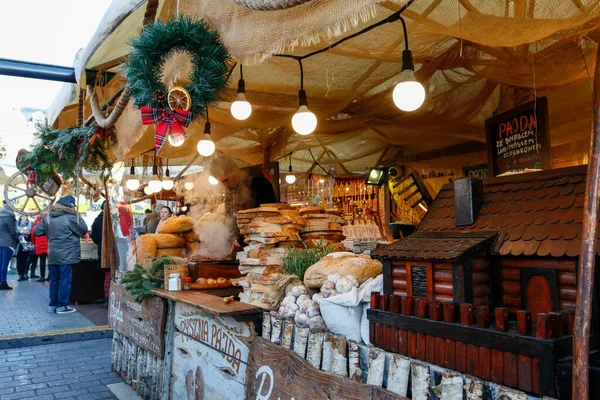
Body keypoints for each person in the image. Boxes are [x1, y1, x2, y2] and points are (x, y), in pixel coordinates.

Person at [208, 156, 277, 252]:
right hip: (238, 246)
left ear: (234, 170)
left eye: (226, 180)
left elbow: (268, 216)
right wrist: (224, 239)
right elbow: (230, 218)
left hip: (260, 246)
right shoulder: (230, 190)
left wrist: (240, 240)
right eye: (222, 182)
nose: (225, 185)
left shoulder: (260, 184)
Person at [34, 195, 88, 314]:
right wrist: (77, 214)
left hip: (53, 254)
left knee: (54, 280)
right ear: (70, 205)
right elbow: (83, 229)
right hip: (67, 254)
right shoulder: (70, 217)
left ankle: (52, 305)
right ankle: (62, 306)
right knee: (65, 280)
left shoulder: (48, 217)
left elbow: (37, 231)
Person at [0, 201, 18, 290]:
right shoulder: (9, 217)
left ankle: (1, 281)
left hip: (0, 242)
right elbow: (12, 231)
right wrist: (17, 239)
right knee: (5, 264)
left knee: (1, 263)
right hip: (8, 242)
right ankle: (3, 282)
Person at [30, 215, 49, 282]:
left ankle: (42, 277)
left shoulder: (36, 221)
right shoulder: (49, 220)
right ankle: (50, 276)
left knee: (42, 260)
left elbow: (33, 233)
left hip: (39, 243)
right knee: (50, 261)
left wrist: (34, 242)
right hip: (49, 243)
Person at [16, 215, 33, 281]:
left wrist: (28, 232)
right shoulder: (17, 224)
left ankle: (25, 273)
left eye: (25, 216)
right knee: (19, 260)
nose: (24, 217)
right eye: (22, 216)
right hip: (20, 244)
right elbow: (16, 231)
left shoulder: (30, 223)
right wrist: (21, 232)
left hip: (28, 244)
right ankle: (20, 274)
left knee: (27, 260)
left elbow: (32, 231)